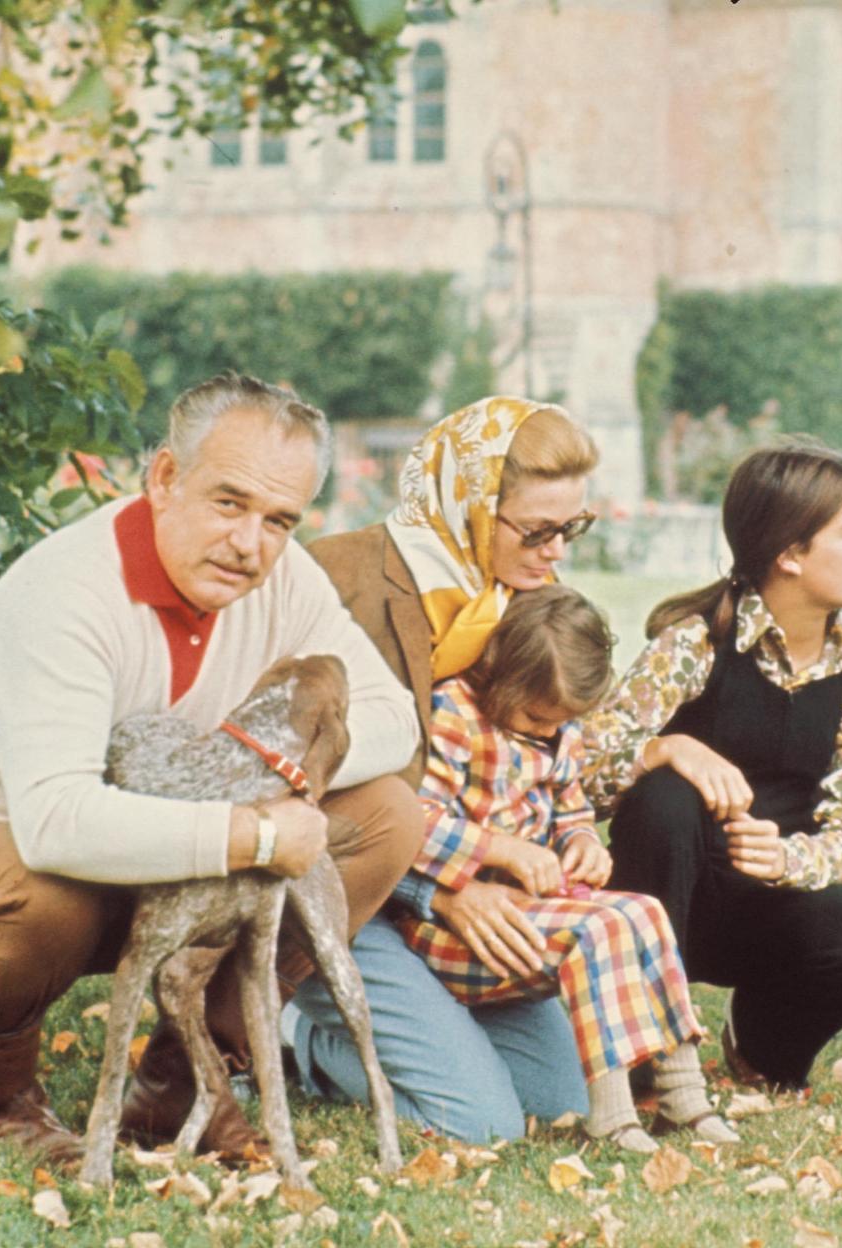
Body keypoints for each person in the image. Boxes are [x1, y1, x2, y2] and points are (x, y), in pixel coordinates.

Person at [0, 373, 423, 1164]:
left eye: (280, 520)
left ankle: (182, 1087)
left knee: (389, 816)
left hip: (154, 866)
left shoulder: (283, 575)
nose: (250, 545)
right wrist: (253, 830)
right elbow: (57, 823)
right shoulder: (66, 593)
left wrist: (262, 764)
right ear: (164, 478)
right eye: (228, 503)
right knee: (47, 888)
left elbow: (393, 719)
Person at [297, 396, 605, 1142]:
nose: (556, 551)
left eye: (573, 528)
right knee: (482, 1124)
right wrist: (439, 887)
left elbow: (554, 749)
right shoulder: (337, 578)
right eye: (537, 530)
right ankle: (293, 1040)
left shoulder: (512, 599)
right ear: (468, 502)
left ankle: (425, 1036)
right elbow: (294, 790)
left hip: (453, 905)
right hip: (343, 892)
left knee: (563, 1103)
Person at [587, 440, 842, 1092]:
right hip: (667, 896)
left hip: (772, 905)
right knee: (666, 797)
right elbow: (582, 770)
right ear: (790, 554)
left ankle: (762, 1043)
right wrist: (664, 749)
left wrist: (787, 860)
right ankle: (641, 1052)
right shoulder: (694, 641)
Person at [399, 585, 738, 1152]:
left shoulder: (560, 729)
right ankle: (610, 1117)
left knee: (644, 911)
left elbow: (570, 807)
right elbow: (413, 822)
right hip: (454, 927)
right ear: (499, 674)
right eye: (536, 716)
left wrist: (582, 840)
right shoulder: (455, 713)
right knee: (599, 928)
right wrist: (503, 850)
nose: (549, 732)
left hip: (530, 916)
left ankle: (683, 1096)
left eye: (564, 722)